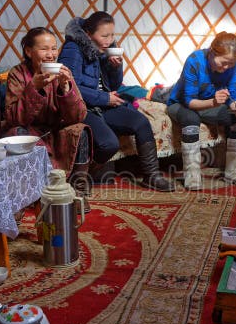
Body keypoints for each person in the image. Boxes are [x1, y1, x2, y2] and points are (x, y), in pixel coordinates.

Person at [58, 11, 173, 191]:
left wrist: (115, 67)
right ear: (88, 34)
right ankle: (82, 174)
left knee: (141, 122)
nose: (110, 40)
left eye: (112, 35)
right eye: (105, 35)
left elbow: (114, 84)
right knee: (109, 144)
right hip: (82, 107)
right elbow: (70, 86)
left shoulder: (103, 49)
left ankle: (152, 176)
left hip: (104, 104)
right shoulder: (73, 48)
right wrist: (105, 98)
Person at [1, 27, 93, 212]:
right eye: (44, 49)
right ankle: (27, 195)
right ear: (28, 51)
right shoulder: (18, 74)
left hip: (57, 133)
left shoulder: (62, 72)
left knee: (81, 130)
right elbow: (13, 118)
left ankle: (78, 191)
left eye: (54, 48)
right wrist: (33, 88)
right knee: (17, 134)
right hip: (31, 133)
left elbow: (78, 115)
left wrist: (65, 88)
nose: (51, 55)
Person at [166, 32, 236, 190]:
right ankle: (192, 174)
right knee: (191, 119)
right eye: (223, 63)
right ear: (212, 52)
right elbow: (189, 101)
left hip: (211, 104)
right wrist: (214, 102)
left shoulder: (233, 65)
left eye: (230, 64)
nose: (225, 68)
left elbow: (233, 95)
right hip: (181, 103)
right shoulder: (195, 61)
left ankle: (235, 172)